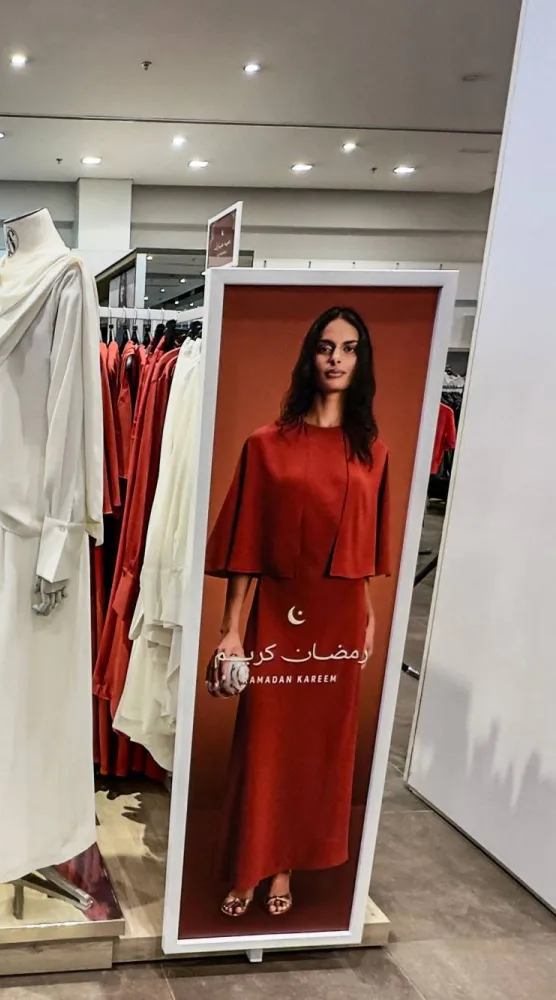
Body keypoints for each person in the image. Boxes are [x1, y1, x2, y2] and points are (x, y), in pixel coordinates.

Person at [206, 306, 391, 920]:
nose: (336, 358)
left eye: (350, 348)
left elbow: (363, 547)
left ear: (361, 361)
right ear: (309, 355)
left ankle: (284, 864)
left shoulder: (374, 454)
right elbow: (246, 546)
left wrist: (366, 611)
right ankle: (250, 864)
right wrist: (233, 630)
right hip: (280, 618)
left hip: (338, 620)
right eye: (326, 346)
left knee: (316, 750)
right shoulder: (266, 446)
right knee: (267, 742)